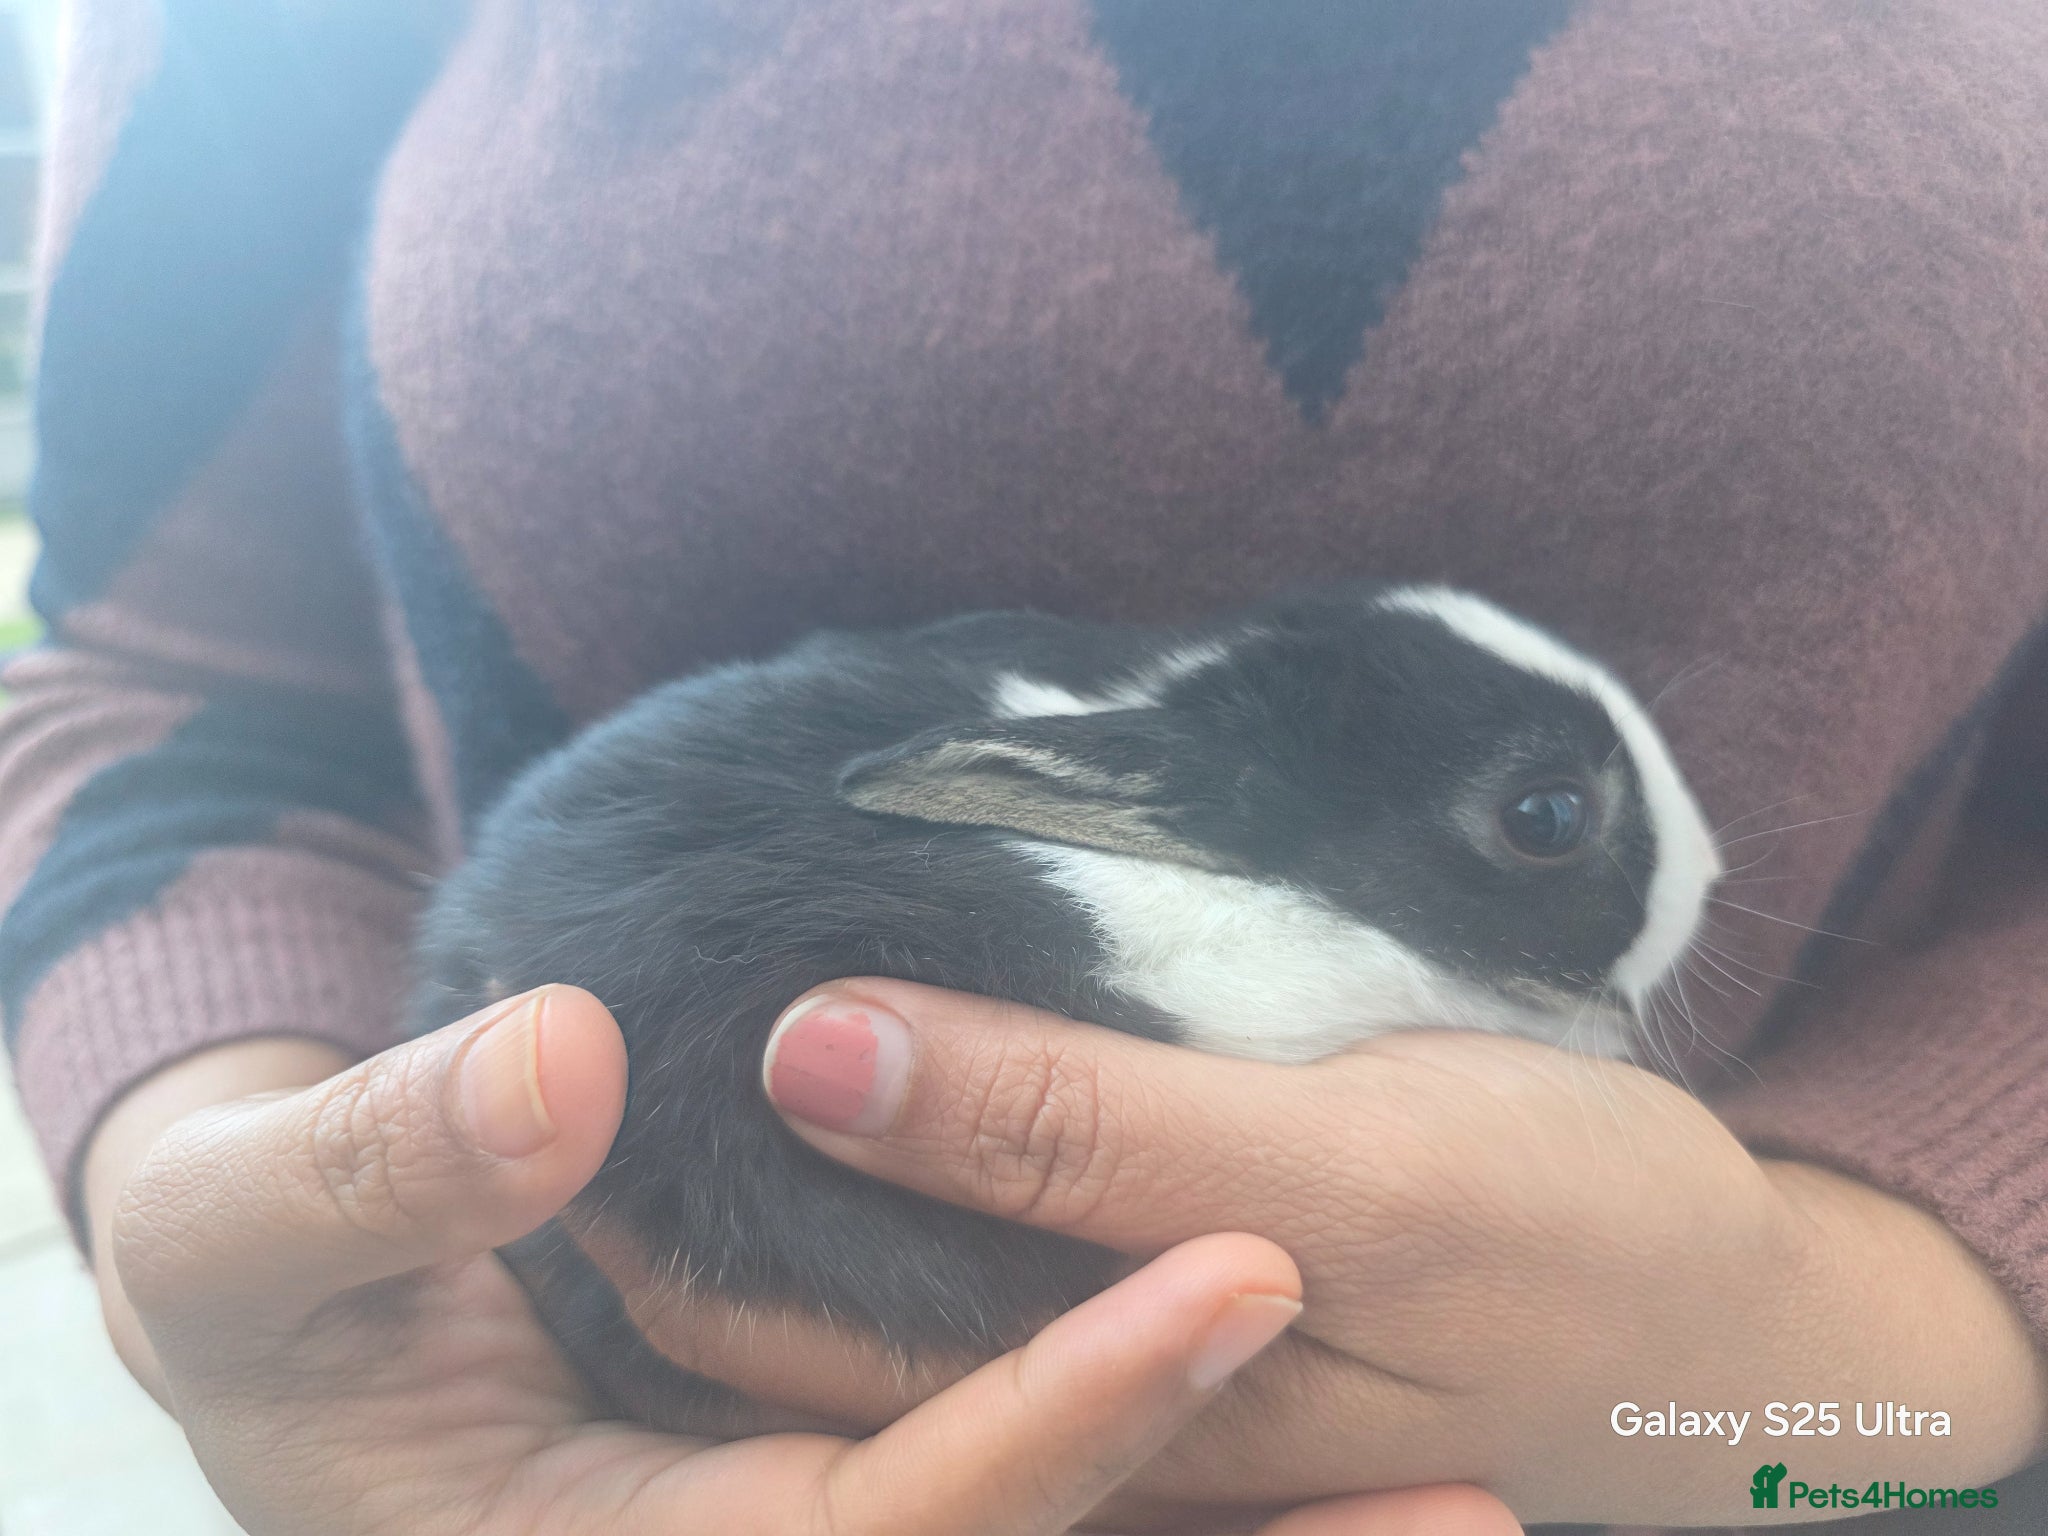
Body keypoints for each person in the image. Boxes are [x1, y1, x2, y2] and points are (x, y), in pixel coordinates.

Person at [6, 1, 2048, 1531]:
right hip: (580, 1411)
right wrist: (265, 1216)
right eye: (1544, 825)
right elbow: (159, 684)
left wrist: (1841, 1378)